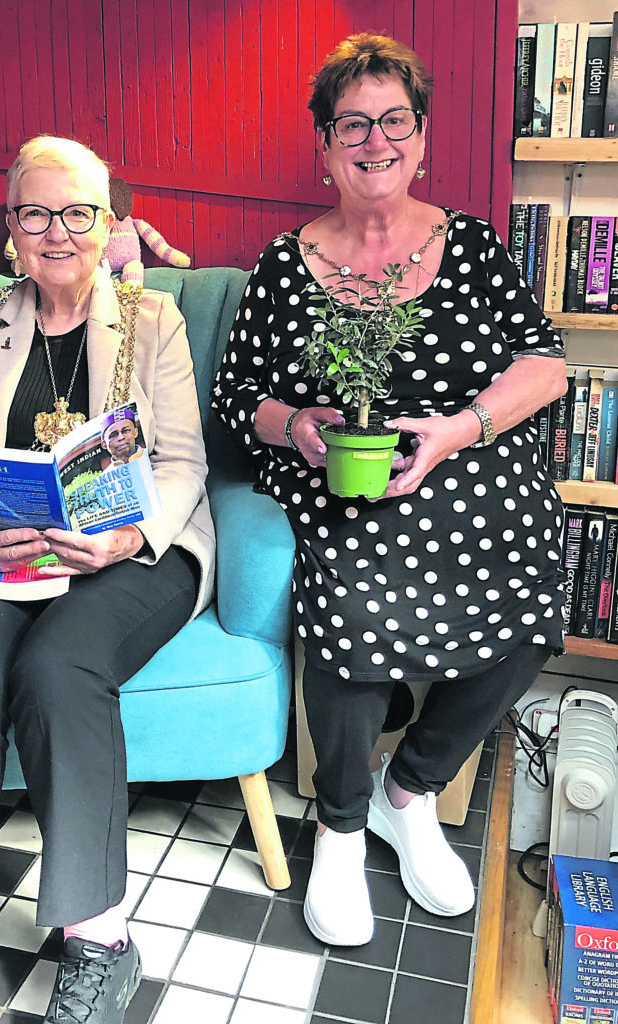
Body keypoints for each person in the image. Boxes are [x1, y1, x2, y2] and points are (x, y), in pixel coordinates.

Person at [211, 33, 568, 948]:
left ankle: (404, 791)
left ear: (423, 138)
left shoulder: (475, 246)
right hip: (343, 474)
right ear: (325, 146)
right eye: (352, 123)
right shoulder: (288, 264)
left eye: (394, 120)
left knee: (530, 602)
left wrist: (458, 429)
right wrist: (295, 425)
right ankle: (336, 824)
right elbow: (236, 394)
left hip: (468, 463)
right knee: (353, 603)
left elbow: (545, 365)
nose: (375, 139)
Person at [0, 135, 214, 1024]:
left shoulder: (154, 322)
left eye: (77, 213)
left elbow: (184, 465)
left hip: (132, 553)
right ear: (11, 229)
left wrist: (125, 538)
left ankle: (100, 940)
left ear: (106, 223)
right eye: (36, 213)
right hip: (3, 548)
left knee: (58, 669)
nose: (57, 232)